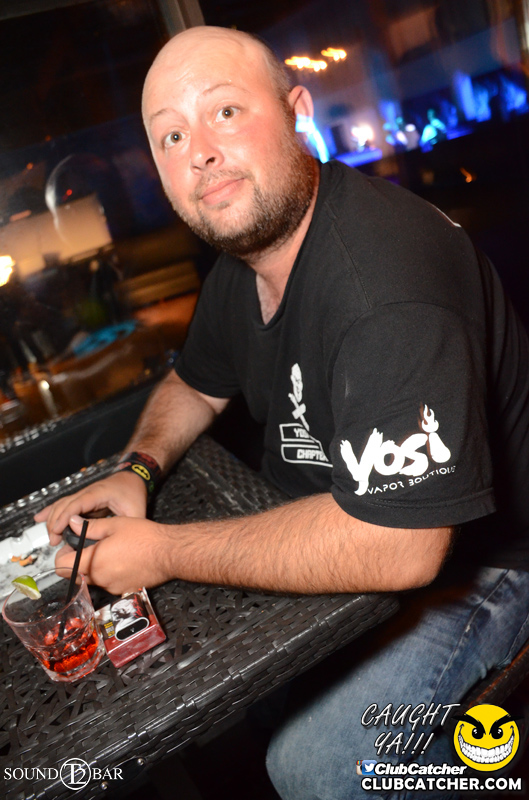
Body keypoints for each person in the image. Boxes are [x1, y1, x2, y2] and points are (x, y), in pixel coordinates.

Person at [35, 26, 529, 799]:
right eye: (171, 135)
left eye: (225, 112)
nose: (199, 151)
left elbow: (400, 546)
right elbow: (193, 385)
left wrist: (162, 551)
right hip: (346, 525)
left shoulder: (385, 287)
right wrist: (137, 470)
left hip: (482, 566)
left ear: (297, 111)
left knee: (313, 766)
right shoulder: (248, 259)